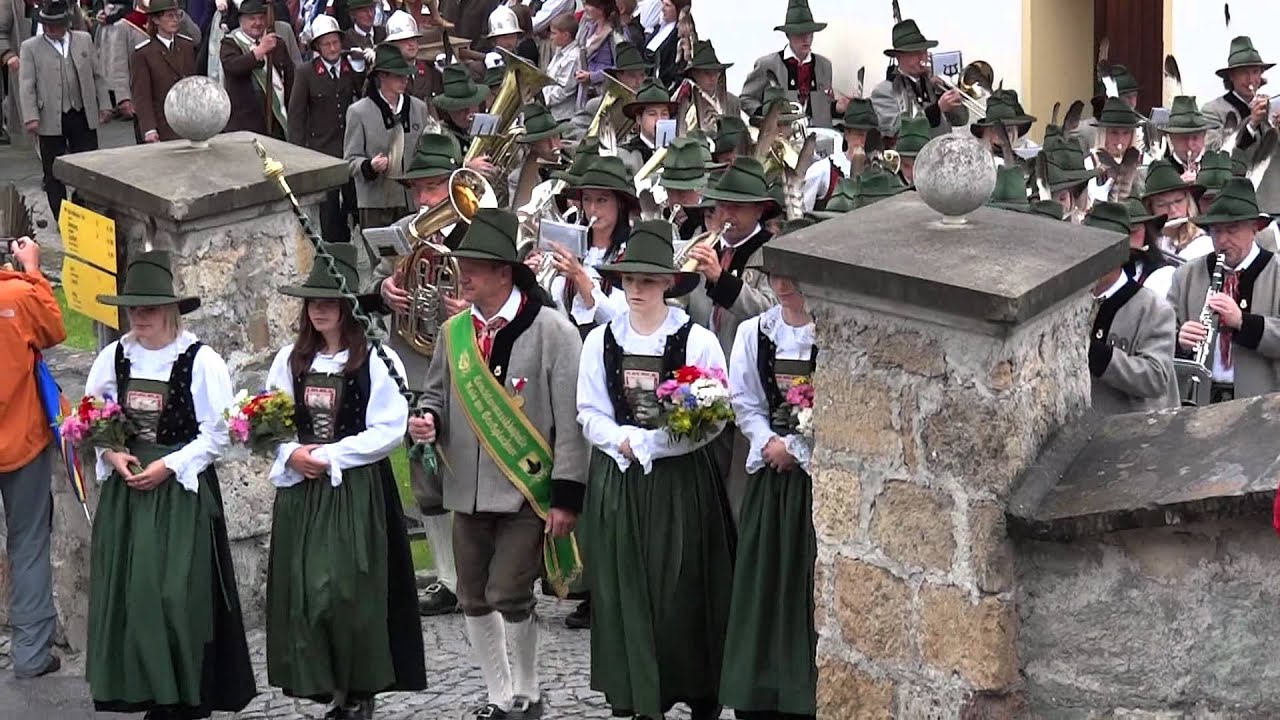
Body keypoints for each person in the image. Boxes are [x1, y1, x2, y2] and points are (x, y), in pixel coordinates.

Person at [409, 208, 587, 720]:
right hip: (465, 490)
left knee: (510, 592)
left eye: (475, 266)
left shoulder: (553, 331)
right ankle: (497, 695)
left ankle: (527, 692)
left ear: (505, 272)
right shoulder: (454, 333)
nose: (463, 273)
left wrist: (566, 497)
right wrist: (426, 421)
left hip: (524, 493)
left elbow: (571, 425)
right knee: (471, 597)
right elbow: (436, 396)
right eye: (462, 262)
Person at [83, 251, 256, 717]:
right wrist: (112, 453)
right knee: (132, 596)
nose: (140, 316)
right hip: (129, 494)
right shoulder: (114, 356)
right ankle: (147, 691)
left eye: (150, 308)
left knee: (175, 595)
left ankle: (184, 695)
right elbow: (92, 416)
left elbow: (217, 433)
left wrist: (170, 467)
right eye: (134, 308)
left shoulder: (201, 362)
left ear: (171, 310)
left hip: (181, 494)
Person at [576, 220, 733, 720]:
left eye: (647, 280)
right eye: (628, 280)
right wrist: (624, 440)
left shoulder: (698, 341)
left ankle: (698, 690)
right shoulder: (600, 340)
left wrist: (658, 444)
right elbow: (589, 411)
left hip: (681, 484)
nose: (637, 290)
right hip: (619, 481)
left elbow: (712, 419)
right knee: (627, 589)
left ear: (669, 282)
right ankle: (643, 697)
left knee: (682, 591)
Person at [264, 242, 426, 720]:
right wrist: (293, 452)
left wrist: (331, 455)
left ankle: (358, 689)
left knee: (345, 592)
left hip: (355, 493)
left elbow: (388, 429)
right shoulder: (290, 362)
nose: (320, 311)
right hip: (303, 494)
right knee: (308, 594)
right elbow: (267, 420)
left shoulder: (377, 359)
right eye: (313, 302)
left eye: (330, 301)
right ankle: (329, 688)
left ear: (348, 308)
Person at [368, 132, 470, 617]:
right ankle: (448, 578)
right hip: (414, 364)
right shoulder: (402, 233)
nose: (426, 200)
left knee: (473, 470)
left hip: (469, 368)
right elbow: (371, 284)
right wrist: (385, 290)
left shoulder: (477, 229)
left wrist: (469, 306)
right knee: (426, 473)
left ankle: (480, 573)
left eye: (435, 189)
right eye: (420, 190)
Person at [721, 219, 818, 720]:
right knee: (762, 579)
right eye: (774, 272)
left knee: (805, 581)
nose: (781, 283)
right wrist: (770, 442)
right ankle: (758, 691)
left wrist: (800, 449)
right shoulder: (754, 332)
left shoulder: (834, 333)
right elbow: (745, 401)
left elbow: (845, 405)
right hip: (768, 478)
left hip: (815, 487)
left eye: (791, 272)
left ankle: (805, 691)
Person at [0, 237, 65, 681]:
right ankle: (31, 654)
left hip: (21, 439)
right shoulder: (19, 295)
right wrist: (34, 269)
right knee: (28, 544)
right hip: (20, 440)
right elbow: (55, 331)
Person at [1169, 178, 1280, 402]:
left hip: (1263, 404)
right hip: (1199, 400)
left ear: (1254, 228)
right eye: (1216, 231)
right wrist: (1179, 340)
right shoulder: (1186, 275)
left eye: (1232, 229)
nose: (1222, 240)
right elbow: (1159, 336)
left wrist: (1243, 322)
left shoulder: (1277, 272)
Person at [1081, 202, 1180, 414]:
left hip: (1132, 435)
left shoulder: (1154, 309)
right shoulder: (1069, 302)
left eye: (1100, 252)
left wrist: (1100, 357)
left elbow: (1156, 377)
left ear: (1120, 255)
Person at [18, 0, 110, 219]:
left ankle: (83, 209)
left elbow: (98, 75)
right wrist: (31, 116)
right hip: (49, 116)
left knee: (89, 167)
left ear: (66, 24)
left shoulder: (84, 40)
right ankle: (62, 216)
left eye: (56, 25)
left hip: (81, 113)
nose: (50, 29)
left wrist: (105, 104)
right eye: (47, 25)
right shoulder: (30, 47)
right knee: (54, 171)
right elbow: (26, 84)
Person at [685, 155, 778, 356]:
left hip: (747, 363)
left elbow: (772, 311)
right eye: (722, 205)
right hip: (698, 362)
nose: (727, 214)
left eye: (737, 206)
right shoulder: (701, 244)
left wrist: (721, 280)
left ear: (759, 210)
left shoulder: (775, 252)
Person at [534, 154, 632, 339]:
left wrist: (578, 275)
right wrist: (533, 279)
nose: (593, 208)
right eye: (587, 199)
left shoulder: (630, 252)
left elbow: (619, 321)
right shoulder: (572, 245)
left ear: (620, 204)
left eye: (602, 200)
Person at [344, 43, 430, 235]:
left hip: (412, 201)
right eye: (398, 75)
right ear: (382, 76)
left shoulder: (418, 108)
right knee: (381, 261)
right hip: (376, 203)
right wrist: (369, 165)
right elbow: (350, 161)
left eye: (406, 75)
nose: (404, 80)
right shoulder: (358, 112)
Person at [290, 15, 361, 243]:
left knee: (357, 204)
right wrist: (299, 155)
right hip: (322, 151)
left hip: (351, 147)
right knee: (329, 212)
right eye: (326, 44)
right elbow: (297, 116)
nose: (332, 48)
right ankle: (338, 253)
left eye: (335, 43)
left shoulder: (352, 66)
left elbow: (364, 94)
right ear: (318, 48)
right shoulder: (306, 72)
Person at [103, 0, 200, 143]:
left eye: (176, 15)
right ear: (156, 20)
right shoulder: (144, 53)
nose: (174, 20)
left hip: (186, 120)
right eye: (169, 16)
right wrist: (149, 128)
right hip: (161, 120)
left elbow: (193, 84)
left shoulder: (186, 45)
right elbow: (143, 96)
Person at [740, 0, 839, 129]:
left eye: (809, 33)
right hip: (782, 137)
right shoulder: (767, 64)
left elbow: (822, 108)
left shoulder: (824, 65)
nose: (806, 39)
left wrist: (837, 107)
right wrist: (767, 116)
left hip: (819, 139)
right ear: (788, 35)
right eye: (800, 33)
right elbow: (746, 98)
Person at [870, 17, 967, 140]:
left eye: (924, 52)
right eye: (914, 53)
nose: (922, 58)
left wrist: (945, 90)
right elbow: (894, 130)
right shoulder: (884, 91)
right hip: (910, 157)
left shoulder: (933, 85)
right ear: (899, 57)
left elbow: (961, 120)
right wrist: (937, 109)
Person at [219, 0, 294, 138]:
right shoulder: (230, 43)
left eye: (261, 18)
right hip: (245, 124)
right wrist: (260, 51)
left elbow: (290, 77)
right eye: (252, 18)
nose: (257, 23)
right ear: (241, 21)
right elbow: (233, 67)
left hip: (275, 121)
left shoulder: (278, 44)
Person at [1202, 36, 1277, 153]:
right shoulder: (1213, 110)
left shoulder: (1270, 108)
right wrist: (1251, 125)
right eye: (1244, 73)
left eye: (1255, 72)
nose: (1251, 79)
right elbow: (1213, 153)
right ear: (1232, 76)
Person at [802, 98, 879, 211]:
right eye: (859, 134)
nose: (864, 141)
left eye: (869, 135)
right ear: (847, 134)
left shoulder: (878, 171)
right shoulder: (823, 170)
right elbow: (803, 212)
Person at [568, 40, 649, 145]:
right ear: (618, 77)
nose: (638, 82)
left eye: (642, 75)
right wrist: (593, 144)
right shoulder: (596, 105)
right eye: (632, 76)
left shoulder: (649, 107)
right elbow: (572, 130)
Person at [1143, 159, 1212, 261]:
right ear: (1151, 209)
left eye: (1178, 201)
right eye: (1162, 205)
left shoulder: (1203, 244)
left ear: (1188, 202)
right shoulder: (1151, 244)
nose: (1173, 210)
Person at [616, 78, 675, 175]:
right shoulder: (624, 154)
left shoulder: (678, 151)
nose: (659, 120)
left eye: (664, 114)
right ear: (639, 119)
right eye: (652, 114)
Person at [1122, 197, 1176, 299]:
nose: (1126, 238)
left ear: (1146, 232)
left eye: (1133, 231)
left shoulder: (1162, 276)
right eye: (1119, 233)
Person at [678, 40, 741, 127]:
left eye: (716, 72)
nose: (712, 77)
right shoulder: (682, 102)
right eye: (707, 73)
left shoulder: (733, 102)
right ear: (694, 73)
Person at [1161, 95, 1218, 180]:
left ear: (1204, 135)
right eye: (1183, 138)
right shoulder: (1160, 171)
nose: (1190, 145)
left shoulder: (1217, 167)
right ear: (1171, 138)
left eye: (1195, 137)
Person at [574, 0, 618, 106]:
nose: (586, 8)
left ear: (601, 9)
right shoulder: (589, 28)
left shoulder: (615, 35)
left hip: (601, 91)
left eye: (590, 5)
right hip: (584, 90)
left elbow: (619, 67)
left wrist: (593, 76)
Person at [540, 12, 580, 122]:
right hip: (551, 111)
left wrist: (542, 100)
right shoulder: (560, 51)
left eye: (554, 33)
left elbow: (564, 89)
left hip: (562, 116)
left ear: (566, 35)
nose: (551, 37)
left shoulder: (572, 57)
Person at [644, 0, 685, 89]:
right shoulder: (657, 29)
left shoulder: (676, 36)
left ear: (677, 9)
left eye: (667, 5)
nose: (662, 8)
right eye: (663, 4)